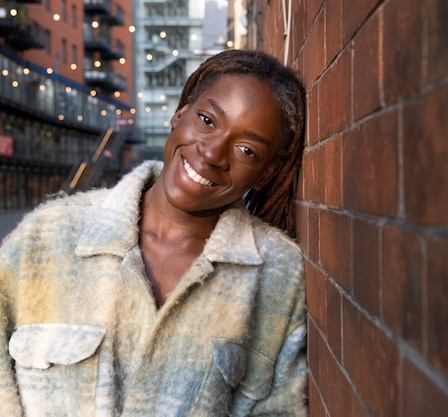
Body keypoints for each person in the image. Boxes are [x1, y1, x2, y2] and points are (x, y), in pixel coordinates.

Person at [0, 49, 307, 417]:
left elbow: (279, 410)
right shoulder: (46, 235)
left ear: (267, 173)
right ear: (180, 115)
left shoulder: (278, 275)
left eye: (246, 149)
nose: (211, 152)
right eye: (207, 120)